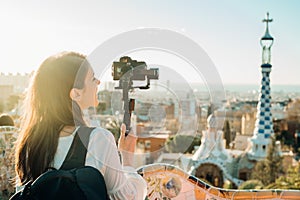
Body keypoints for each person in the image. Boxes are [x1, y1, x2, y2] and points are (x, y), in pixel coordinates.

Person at [14, 52, 147, 199]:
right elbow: (127, 198)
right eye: (92, 79)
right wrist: (127, 160)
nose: (98, 82)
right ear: (76, 94)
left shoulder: (29, 142)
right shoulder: (97, 139)